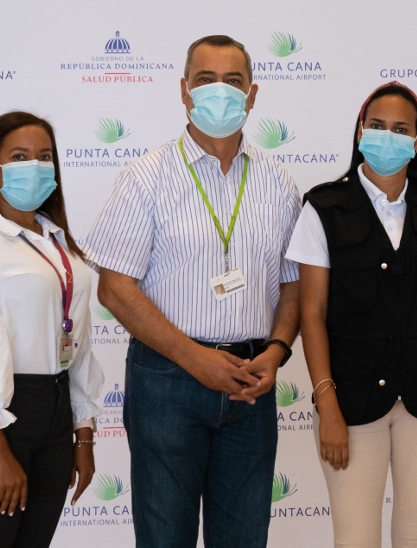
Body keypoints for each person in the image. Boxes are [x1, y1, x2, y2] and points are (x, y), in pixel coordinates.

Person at [82, 35, 302, 548]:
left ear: (252, 94)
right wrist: (195, 358)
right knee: (165, 539)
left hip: (251, 380)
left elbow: (293, 285)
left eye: (233, 80)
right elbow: (114, 289)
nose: (219, 91)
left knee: (244, 539)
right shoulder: (145, 178)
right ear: (184, 91)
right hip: (167, 381)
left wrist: (276, 351)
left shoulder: (279, 183)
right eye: (206, 80)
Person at [288, 82, 417, 547]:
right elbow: (311, 312)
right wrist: (327, 405)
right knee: (354, 538)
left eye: (400, 129)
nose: (387, 137)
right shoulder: (324, 207)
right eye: (377, 126)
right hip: (350, 402)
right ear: (360, 131)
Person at [0, 111, 103, 548]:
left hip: (55, 413)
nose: (36, 166)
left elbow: (79, 344)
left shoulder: (58, 240)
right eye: (20, 156)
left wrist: (82, 435)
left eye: (44, 156)